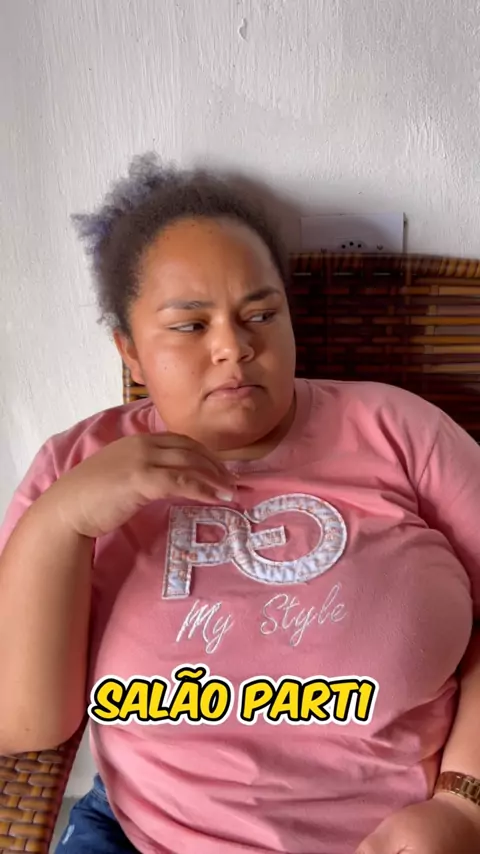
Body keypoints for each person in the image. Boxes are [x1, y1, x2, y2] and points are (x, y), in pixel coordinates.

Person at [1, 154, 480, 854]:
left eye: (261, 313)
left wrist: (464, 802)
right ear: (130, 351)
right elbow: (24, 722)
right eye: (190, 326)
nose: (234, 346)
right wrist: (62, 521)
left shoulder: (397, 430)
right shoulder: (75, 465)